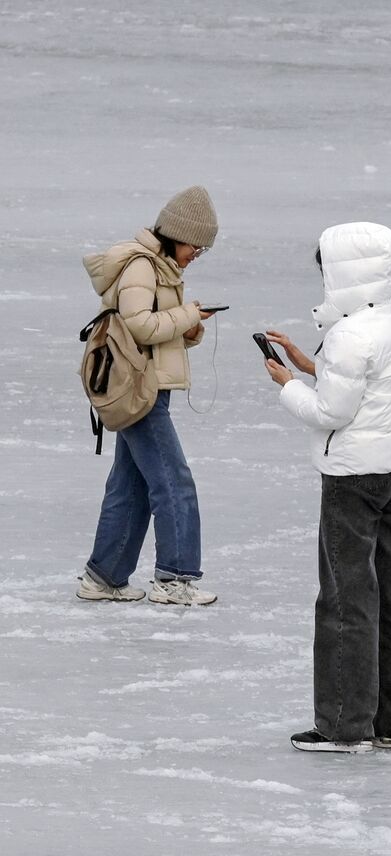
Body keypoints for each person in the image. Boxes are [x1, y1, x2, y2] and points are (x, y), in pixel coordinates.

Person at [264, 222, 391, 753]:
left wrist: (288, 387)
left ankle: (342, 723)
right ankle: (388, 722)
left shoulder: (350, 334)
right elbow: (365, 387)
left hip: (352, 479)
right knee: (388, 593)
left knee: (345, 599)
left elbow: (332, 410)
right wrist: (306, 363)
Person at [77, 186, 220, 607]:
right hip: (138, 392)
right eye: (196, 244)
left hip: (144, 387)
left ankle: (104, 576)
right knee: (173, 481)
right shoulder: (143, 268)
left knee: (131, 483)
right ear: (176, 233)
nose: (197, 253)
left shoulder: (161, 268)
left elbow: (155, 335)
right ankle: (175, 577)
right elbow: (138, 327)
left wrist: (190, 329)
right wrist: (189, 314)